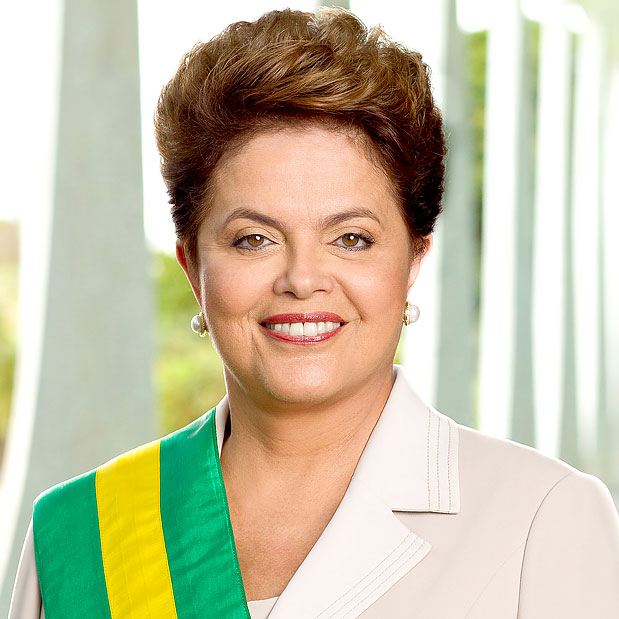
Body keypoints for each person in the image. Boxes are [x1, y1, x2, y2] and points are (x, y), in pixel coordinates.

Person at [9, 7, 619, 619]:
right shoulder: (79, 534)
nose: (302, 280)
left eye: (351, 238)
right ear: (193, 268)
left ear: (413, 260)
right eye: (254, 239)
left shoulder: (542, 520)